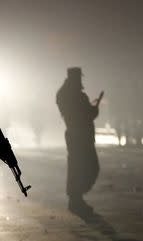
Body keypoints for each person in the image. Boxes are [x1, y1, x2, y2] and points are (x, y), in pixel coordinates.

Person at [56, 67, 100, 214]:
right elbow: (87, 114)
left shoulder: (63, 94)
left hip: (74, 135)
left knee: (77, 167)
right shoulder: (78, 96)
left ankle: (75, 198)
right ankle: (76, 198)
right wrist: (95, 109)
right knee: (90, 167)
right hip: (82, 136)